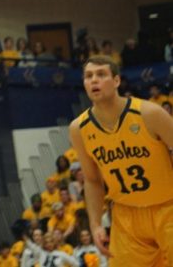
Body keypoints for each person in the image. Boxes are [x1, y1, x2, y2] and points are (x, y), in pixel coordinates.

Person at [68, 55, 173, 265]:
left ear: (116, 81)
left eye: (101, 74)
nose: (94, 80)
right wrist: (96, 224)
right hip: (126, 217)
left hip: (168, 208)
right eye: (88, 76)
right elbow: (92, 180)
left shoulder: (149, 113)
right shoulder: (79, 128)